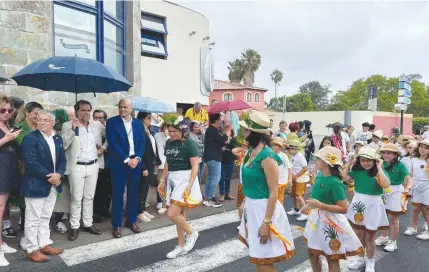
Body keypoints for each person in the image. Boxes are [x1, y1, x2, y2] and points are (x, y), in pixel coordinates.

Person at [237, 110, 296, 271]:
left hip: (265, 211)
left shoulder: (267, 157)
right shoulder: (251, 151)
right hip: (253, 208)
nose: (244, 132)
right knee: (259, 260)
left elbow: (273, 192)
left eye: (247, 130)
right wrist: (244, 202)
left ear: (255, 133)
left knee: (265, 264)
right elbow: (250, 183)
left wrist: (267, 223)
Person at [302, 146, 363, 272]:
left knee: (332, 257)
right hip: (316, 219)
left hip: (331, 222)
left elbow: (343, 208)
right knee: (313, 254)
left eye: (318, 159)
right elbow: (316, 196)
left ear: (326, 162)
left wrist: (320, 205)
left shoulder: (335, 183)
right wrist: (308, 205)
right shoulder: (319, 176)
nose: (315, 160)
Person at [20, 110, 66, 263]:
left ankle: (43, 243)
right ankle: (32, 249)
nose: (42, 122)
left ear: (53, 123)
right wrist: (51, 177)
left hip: (52, 184)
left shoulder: (57, 138)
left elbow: (62, 160)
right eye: (39, 120)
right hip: (36, 184)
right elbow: (31, 163)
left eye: (46, 120)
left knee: (46, 216)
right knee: (33, 218)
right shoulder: (30, 138)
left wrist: (59, 174)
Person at [157, 116, 202, 259]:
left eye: (174, 131)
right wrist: (162, 180)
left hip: (185, 179)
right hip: (172, 180)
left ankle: (191, 233)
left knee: (172, 214)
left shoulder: (189, 143)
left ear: (182, 130)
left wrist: (190, 185)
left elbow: (196, 165)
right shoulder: (168, 143)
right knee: (179, 215)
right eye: (169, 131)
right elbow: (167, 164)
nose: (171, 134)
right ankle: (181, 245)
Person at [61, 100, 105, 241]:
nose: (86, 113)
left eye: (88, 110)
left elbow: (109, 137)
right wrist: (73, 130)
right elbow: (63, 144)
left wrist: (103, 148)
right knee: (76, 197)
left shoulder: (96, 125)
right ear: (77, 111)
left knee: (89, 197)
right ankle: (74, 226)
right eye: (83, 110)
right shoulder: (67, 125)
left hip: (93, 165)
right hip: (77, 166)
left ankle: (88, 223)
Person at [343, 146, 390, 272]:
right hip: (358, 202)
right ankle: (360, 259)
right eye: (363, 160)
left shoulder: (378, 172)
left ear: (374, 160)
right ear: (359, 161)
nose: (366, 163)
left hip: (373, 204)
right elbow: (344, 179)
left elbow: (386, 184)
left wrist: (379, 167)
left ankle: (370, 261)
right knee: (359, 234)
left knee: (370, 235)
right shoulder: (357, 170)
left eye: (369, 160)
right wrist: (348, 164)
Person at [106, 98, 145, 238]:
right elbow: (113, 143)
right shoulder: (111, 122)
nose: (122, 109)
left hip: (135, 162)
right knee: (118, 194)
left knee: (134, 193)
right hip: (119, 164)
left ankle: (131, 220)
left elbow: (142, 142)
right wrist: (127, 160)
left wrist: (137, 158)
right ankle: (116, 225)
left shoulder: (138, 123)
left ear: (131, 109)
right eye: (120, 107)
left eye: (125, 107)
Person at [375, 144, 412, 252]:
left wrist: (408, 187)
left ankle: (393, 241)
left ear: (396, 155)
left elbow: (408, 179)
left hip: (396, 192)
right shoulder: (380, 164)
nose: (386, 155)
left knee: (393, 218)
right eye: (384, 152)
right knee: (383, 215)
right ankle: (384, 236)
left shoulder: (400, 165)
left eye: (389, 153)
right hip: (383, 191)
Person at [0, 96, 20, 266]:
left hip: (7, 170)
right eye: (2, 110)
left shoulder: (6, 125)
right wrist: (6, 139)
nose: (6, 113)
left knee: (3, 208)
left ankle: (1, 243)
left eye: (9, 110)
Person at [136, 112, 161, 223]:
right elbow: (140, 151)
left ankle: (142, 209)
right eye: (149, 118)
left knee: (145, 189)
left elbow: (152, 148)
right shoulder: (139, 131)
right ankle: (138, 212)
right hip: (144, 164)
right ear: (142, 119)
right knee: (141, 189)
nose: (151, 120)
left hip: (151, 163)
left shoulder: (148, 130)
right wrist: (144, 167)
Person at [202, 113, 229, 208]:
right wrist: (227, 132)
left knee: (210, 178)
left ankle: (207, 197)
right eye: (220, 119)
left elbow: (216, 143)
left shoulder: (211, 130)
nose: (221, 121)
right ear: (216, 120)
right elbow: (222, 141)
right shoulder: (212, 130)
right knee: (215, 178)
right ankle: (210, 198)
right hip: (214, 157)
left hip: (210, 156)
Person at [404, 139, 429, 240]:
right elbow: (410, 173)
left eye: (426, 148)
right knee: (415, 209)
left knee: (427, 210)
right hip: (416, 185)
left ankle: (428, 231)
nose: (422, 149)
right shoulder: (413, 159)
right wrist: (407, 184)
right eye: (421, 147)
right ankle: (413, 228)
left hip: (427, 185)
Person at [93, 109, 112, 223]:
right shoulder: (91, 129)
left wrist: (103, 148)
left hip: (108, 163)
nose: (98, 120)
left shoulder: (106, 130)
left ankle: (104, 210)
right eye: (96, 117)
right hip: (97, 164)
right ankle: (96, 213)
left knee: (107, 189)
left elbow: (110, 140)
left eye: (101, 118)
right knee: (96, 190)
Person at [286, 140, 310, 221]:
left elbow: (305, 168)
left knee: (299, 196)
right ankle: (296, 210)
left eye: (289, 149)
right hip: (296, 179)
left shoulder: (300, 157)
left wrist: (296, 176)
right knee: (295, 196)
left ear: (295, 149)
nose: (288, 150)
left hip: (301, 179)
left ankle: (305, 213)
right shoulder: (294, 155)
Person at [270, 137, 293, 204]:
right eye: (274, 145)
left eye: (278, 146)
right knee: (272, 199)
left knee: (279, 200)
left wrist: (289, 180)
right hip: (271, 181)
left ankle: (279, 213)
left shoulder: (283, 156)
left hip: (281, 181)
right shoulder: (269, 154)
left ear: (281, 147)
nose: (275, 147)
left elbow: (290, 167)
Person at [219, 125, 237, 202]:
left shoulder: (233, 139)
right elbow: (220, 145)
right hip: (222, 160)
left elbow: (232, 146)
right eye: (226, 129)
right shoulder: (221, 138)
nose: (227, 130)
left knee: (228, 178)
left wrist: (229, 139)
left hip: (230, 160)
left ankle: (227, 193)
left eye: (229, 129)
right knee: (221, 177)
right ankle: (222, 194)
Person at [154, 123, 169, 215]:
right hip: (161, 163)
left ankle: (167, 202)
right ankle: (160, 201)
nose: (167, 129)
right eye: (166, 127)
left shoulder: (172, 136)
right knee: (160, 182)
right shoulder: (157, 135)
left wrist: (168, 136)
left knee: (170, 183)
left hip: (170, 163)